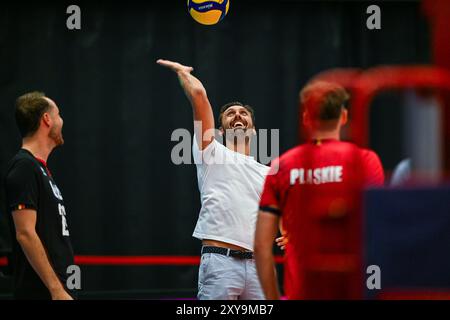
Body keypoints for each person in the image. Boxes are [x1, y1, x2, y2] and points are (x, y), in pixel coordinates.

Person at [157, 59, 284, 300]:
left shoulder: (268, 173)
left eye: (243, 113)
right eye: (230, 114)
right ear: (221, 130)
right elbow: (198, 95)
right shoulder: (211, 152)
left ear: (254, 130)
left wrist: (288, 232)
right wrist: (183, 73)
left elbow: (279, 214)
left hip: (260, 266)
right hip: (221, 263)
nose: (237, 116)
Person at [254, 81, 385, 299]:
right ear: (344, 117)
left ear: (305, 118)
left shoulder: (281, 165)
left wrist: (273, 299)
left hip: (302, 290)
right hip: (350, 288)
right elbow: (376, 227)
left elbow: (260, 246)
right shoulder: (364, 160)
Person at [3, 92, 74, 300]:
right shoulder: (24, 167)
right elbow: (24, 233)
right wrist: (56, 290)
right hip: (42, 293)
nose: (62, 121)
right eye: (58, 115)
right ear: (47, 119)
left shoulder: (38, 169)